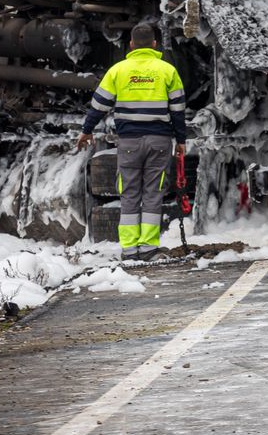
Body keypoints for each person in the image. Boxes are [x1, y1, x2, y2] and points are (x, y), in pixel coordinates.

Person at [76, 21, 187, 262]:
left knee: (129, 194)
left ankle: (128, 249)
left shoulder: (118, 70)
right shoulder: (167, 70)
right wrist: (181, 140)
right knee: (153, 193)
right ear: (155, 45)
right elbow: (178, 109)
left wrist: (87, 130)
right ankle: (148, 248)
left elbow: (99, 105)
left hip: (129, 144)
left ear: (131, 45)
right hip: (159, 142)